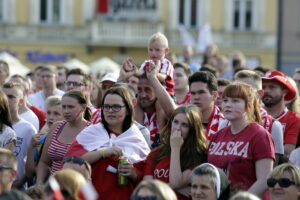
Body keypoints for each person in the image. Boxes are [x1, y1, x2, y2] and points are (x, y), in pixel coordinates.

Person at [66, 86, 150, 200]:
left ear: (128, 109)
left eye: (116, 107)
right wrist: (103, 153)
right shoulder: (91, 132)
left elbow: (147, 180)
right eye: (106, 107)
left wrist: (133, 174)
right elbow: (69, 165)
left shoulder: (136, 137)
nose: (110, 111)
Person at [208, 82, 275, 197]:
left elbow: (265, 180)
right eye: (225, 100)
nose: (228, 105)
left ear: (248, 106)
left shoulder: (259, 135)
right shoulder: (218, 135)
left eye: (235, 101)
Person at [143, 105, 207, 200]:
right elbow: (147, 190)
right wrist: (177, 189)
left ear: (193, 130)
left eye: (184, 125)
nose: (177, 128)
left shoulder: (198, 155)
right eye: (175, 122)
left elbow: (175, 182)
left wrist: (175, 148)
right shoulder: (156, 153)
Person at [36, 90, 91, 183]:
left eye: (70, 107)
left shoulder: (91, 131)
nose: (66, 111)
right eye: (63, 106)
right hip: (52, 188)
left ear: (83, 107)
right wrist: (39, 183)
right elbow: (44, 162)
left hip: (75, 188)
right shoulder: (56, 127)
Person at [124, 32, 174, 132]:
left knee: (159, 104)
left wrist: (153, 74)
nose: (153, 53)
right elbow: (140, 73)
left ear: (166, 51)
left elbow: (163, 77)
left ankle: (160, 132)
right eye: (151, 50)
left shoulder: (166, 64)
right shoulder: (147, 63)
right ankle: (140, 129)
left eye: (157, 50)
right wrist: (133, 69)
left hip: (166, 95)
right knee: (136, 103)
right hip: (152, 93)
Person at [234, 70, 284, 164]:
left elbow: (272, 170)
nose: (238, 94)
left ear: (260, 94)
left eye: (246, 90)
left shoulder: (274, 125)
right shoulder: (225, 122)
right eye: (235, 89)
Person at [2, 82, 37, 189]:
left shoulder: (28, 129)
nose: (6, 100)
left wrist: (21, 182)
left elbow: (33, 161)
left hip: (17, 187)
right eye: (3, 96)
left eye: (11, 97)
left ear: (21, 101)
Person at [262, 70, 300, 158]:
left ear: (284, 92)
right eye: (263, 87)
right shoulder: (252, 115)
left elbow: (286, 153)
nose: (266, 91)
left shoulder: (295, 119)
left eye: (272, 87)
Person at [25, 96, 63, 183]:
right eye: (48, 113)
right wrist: (31, 147)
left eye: (56, 113)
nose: (51, 117)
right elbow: (30, 173)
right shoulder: (41, 139)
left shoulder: (69, 140)